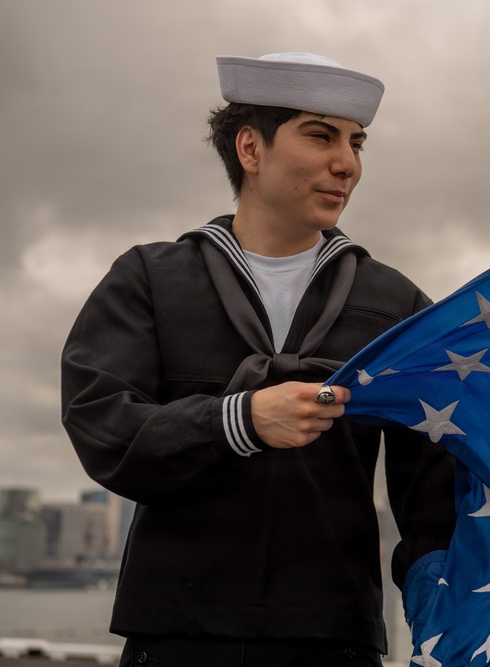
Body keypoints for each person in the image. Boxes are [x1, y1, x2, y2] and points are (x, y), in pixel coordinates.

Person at [61, 52, 456, 667]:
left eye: (357, 143)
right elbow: (101, 424)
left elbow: (438, 479)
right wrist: (238, 421)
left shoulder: (396, 303)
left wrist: (450, 598)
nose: (347, 164)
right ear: (250, 147)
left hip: (334, 638)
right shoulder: (151, 279)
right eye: (321, 135)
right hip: (174, 636)